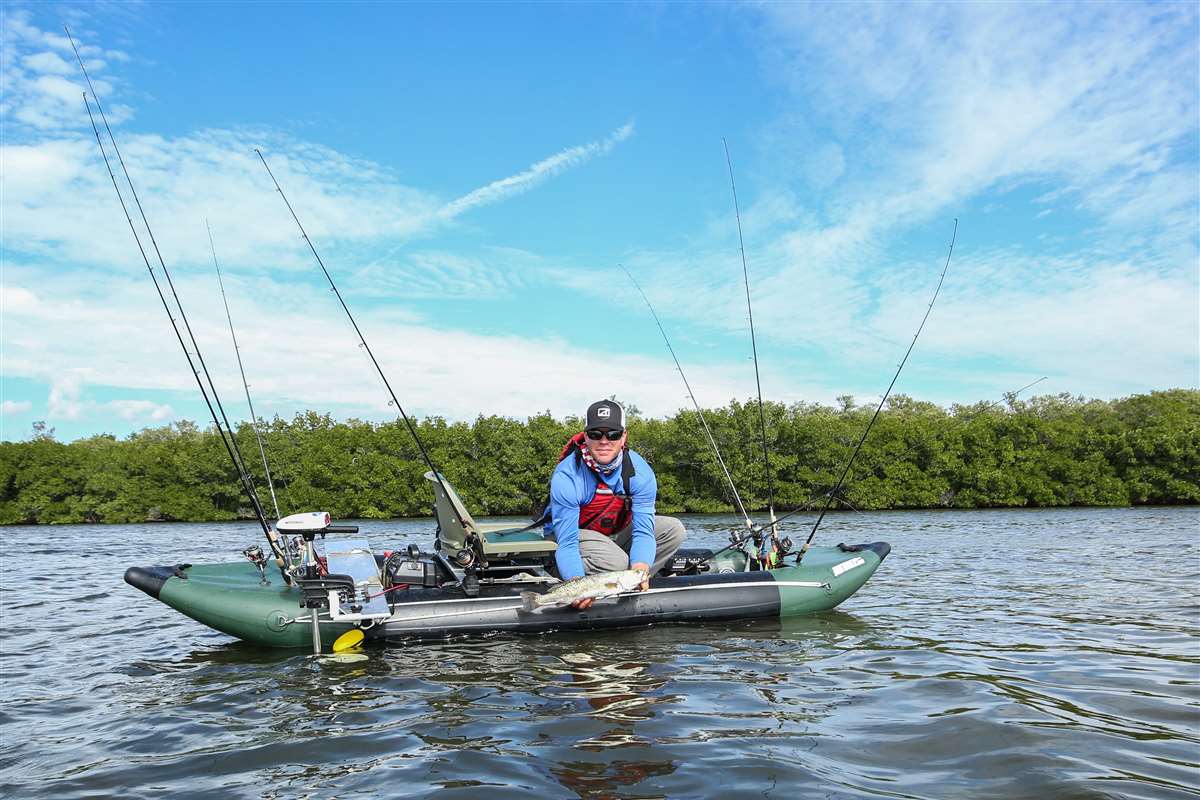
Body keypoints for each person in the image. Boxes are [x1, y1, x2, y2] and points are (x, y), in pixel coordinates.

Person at [545, 399, 686, 609]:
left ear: (624, 437)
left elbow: (643, 533)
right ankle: (560, 572)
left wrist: (640, 568)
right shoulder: (567, 475)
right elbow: (567, 542)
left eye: (612, 434)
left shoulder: (640, 473)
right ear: (585, 436)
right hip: (571, 538)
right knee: (616, 561)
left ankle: (632, 584)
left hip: (611, 537)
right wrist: (576, 584)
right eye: (595, 434)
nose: (604, 441)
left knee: (674, 530)